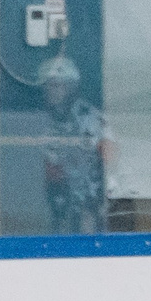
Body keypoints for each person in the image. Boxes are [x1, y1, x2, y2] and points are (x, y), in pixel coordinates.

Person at [38, 56, 114, 234]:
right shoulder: (46, 120)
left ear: (71, 87)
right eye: (48, 85)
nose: (51, 91)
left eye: (57, 85)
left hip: (90, 206)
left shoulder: (91, 119)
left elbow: (110, 157)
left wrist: (94, 203)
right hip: (60, 204)